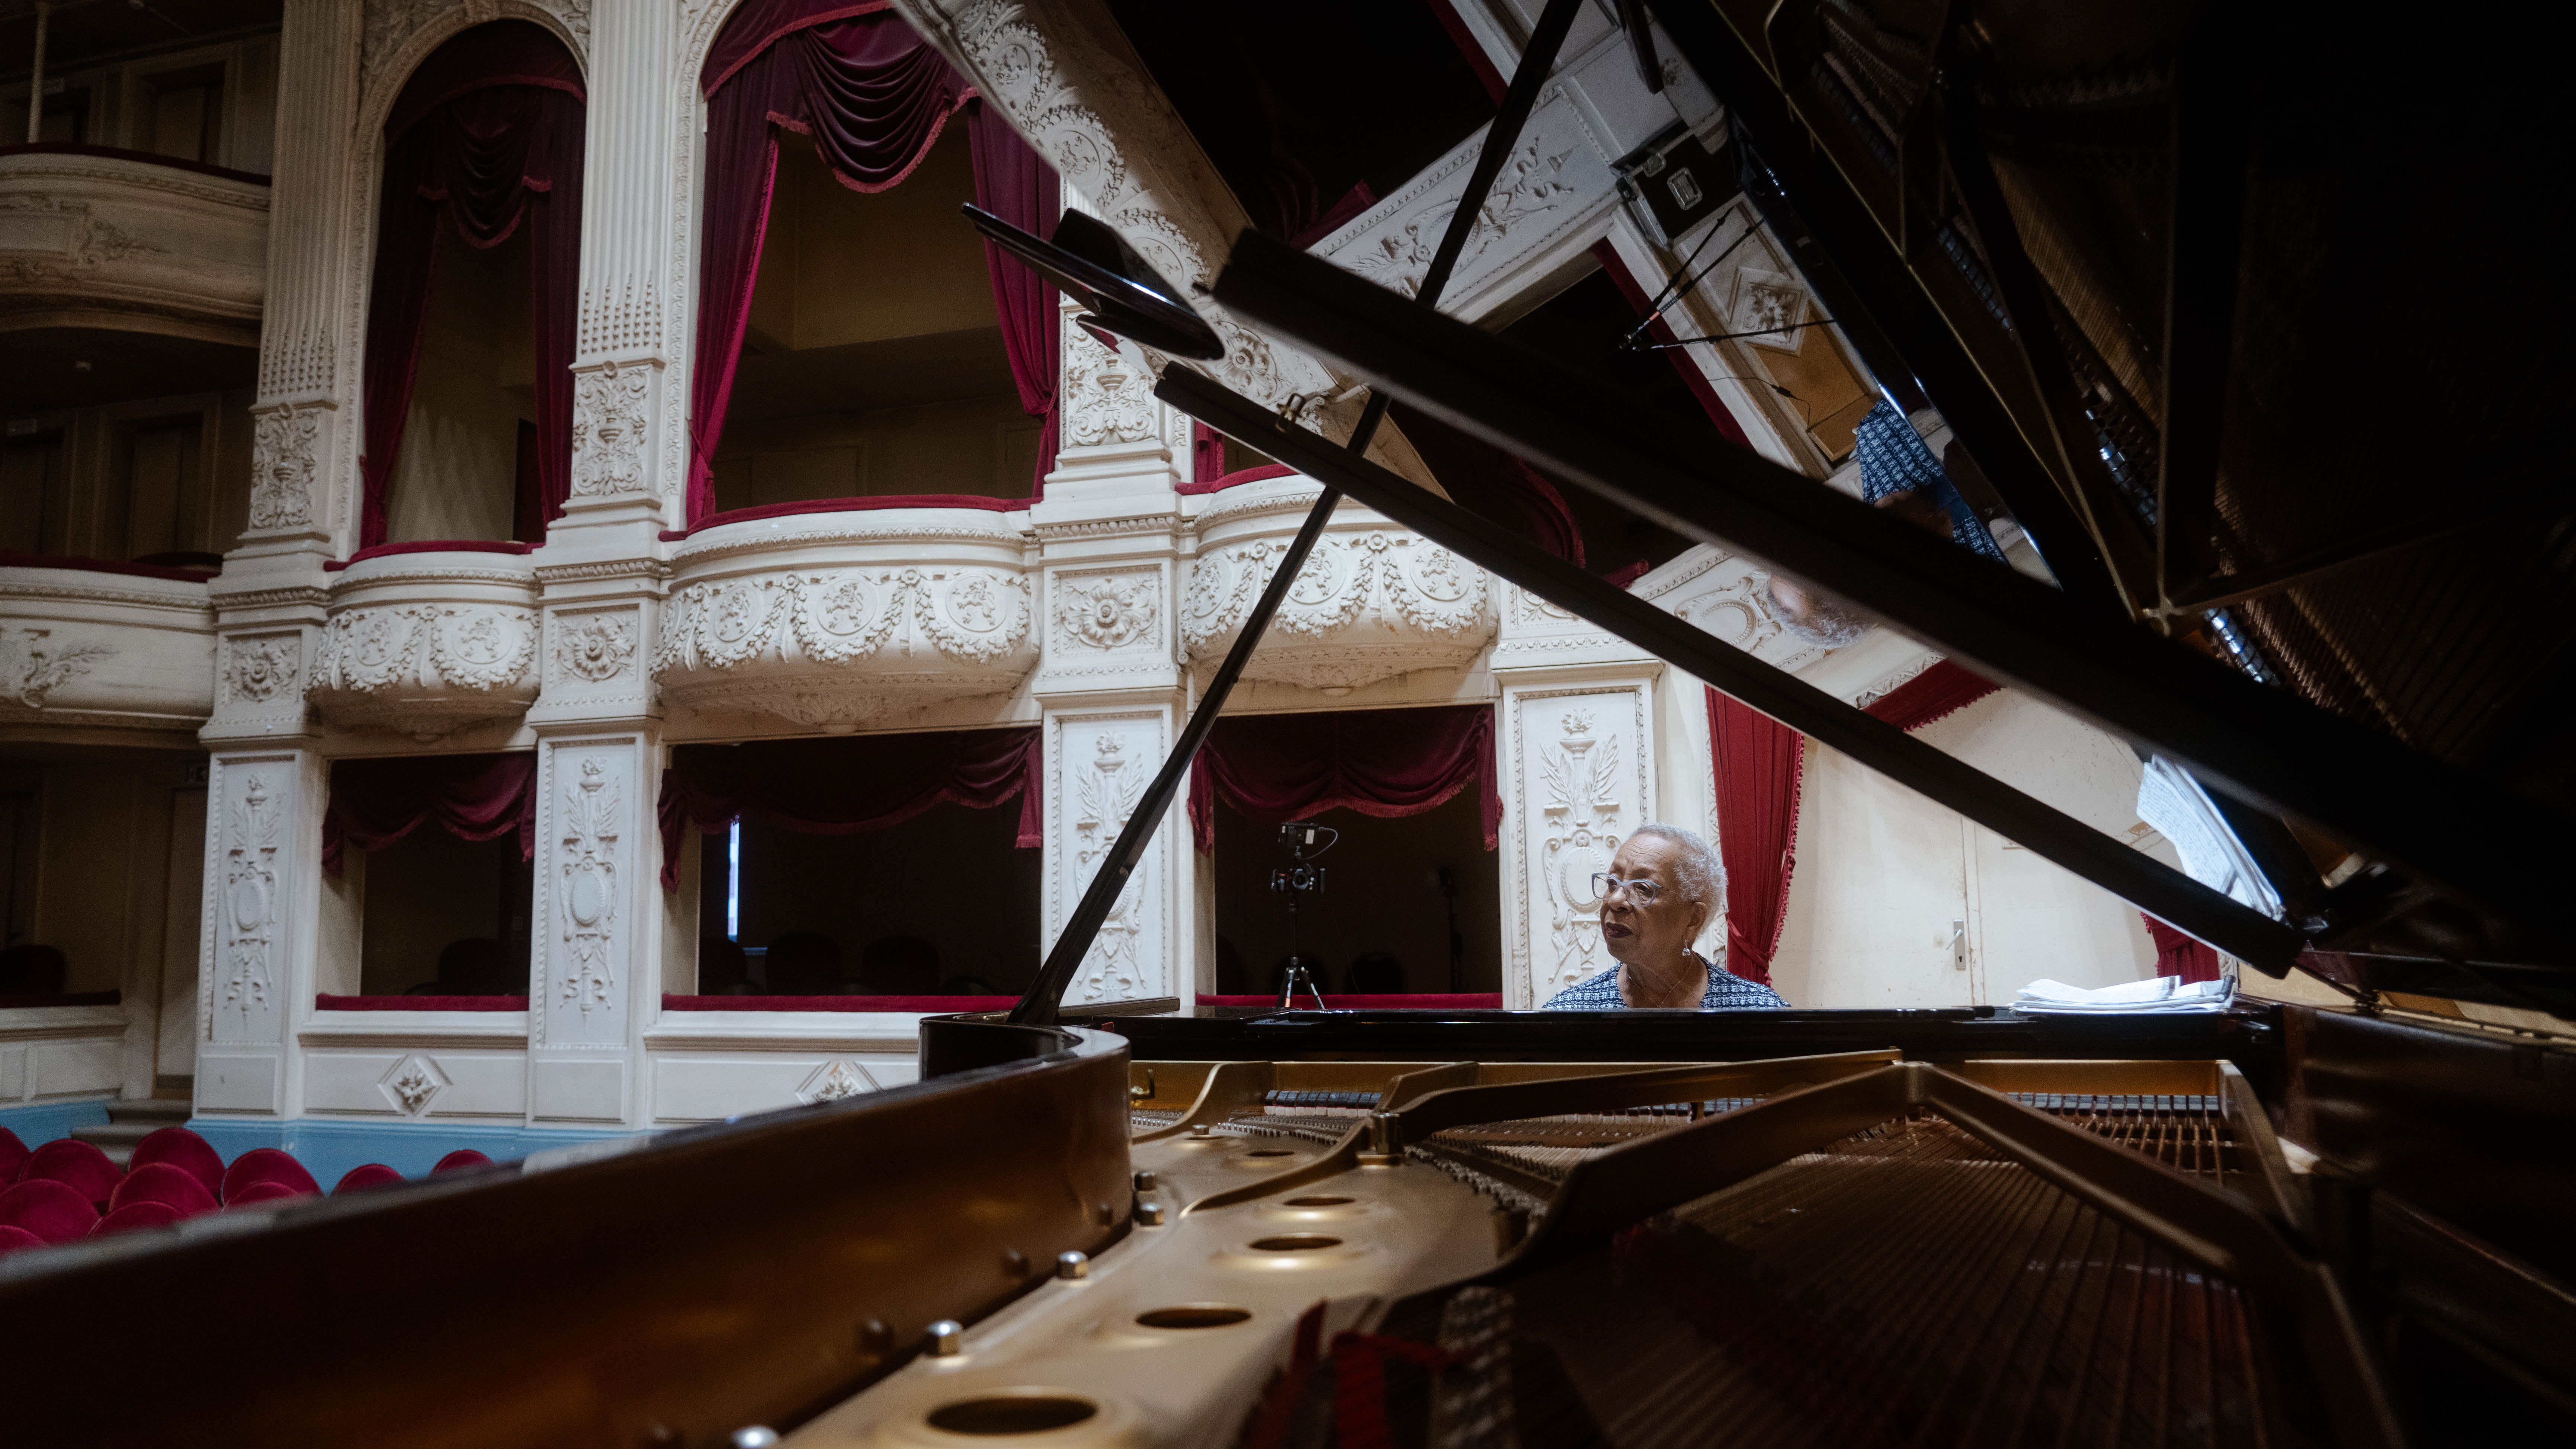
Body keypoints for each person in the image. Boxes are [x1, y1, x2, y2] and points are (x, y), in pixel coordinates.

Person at [1541, 823, 1788, 1009]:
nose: (1615, 900)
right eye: (1612, 882)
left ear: (1693, 919)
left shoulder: (1758, 1012)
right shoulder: (1570, 1014)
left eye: (1643, 888)